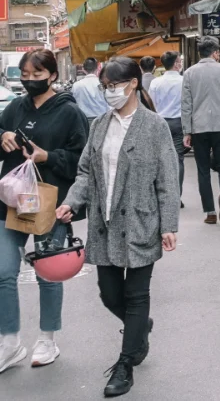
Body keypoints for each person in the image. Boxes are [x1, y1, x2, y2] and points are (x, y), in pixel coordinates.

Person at [57, 57, 180, 397]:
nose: (109, 92)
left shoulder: (154, 126)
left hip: (142, 221)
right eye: (105, 86)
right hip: (104, 224)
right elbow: (85, 172)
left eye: (114, 85)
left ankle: (125, 364)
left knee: (137, 295)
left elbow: (168, 180)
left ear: (133, 84)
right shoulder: (98, 125)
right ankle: (140, 330)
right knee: (109, 294)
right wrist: (72, 201)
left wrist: (169, 224)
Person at [0, 49, 88, 373]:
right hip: (11, 202)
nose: (30, 81)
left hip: (50, 202)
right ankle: (9, 342)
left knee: (48, 273)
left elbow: (82, 159)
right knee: (3, 272)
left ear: (52, 75)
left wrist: (47, 157)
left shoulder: (69, 112)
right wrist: (4, 136)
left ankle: (47, 339)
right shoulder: (15, 107)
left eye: (37, 76)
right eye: (25, 76)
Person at [181, 37, 220, 226]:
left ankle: (210, 212)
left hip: (199, 127)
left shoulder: (189, 73)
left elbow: (186, 104)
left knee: (203, 169)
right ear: (215, 53)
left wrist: (187, 131)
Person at [149, 52, 185, 205]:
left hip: (160, 122)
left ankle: (161, 195)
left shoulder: (156, 83)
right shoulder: (184, 81)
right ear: (176, 63)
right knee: (178, 160)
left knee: (160, 160)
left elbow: (152, 105)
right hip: (179, 122)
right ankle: (176, 196)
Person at [73, 57, 107, 126]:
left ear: (83, 69)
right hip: (102, 119)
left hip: (84, 121)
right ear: (97, 68)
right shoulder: (103, 84)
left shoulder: (76, 85)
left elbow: (74, 103)